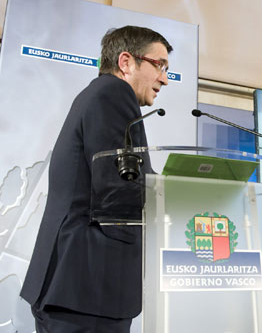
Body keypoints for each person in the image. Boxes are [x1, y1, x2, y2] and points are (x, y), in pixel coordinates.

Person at [20, 26, 173, 332]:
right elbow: (117, 187)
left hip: (79, 288)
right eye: (159, 65)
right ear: (126, 62)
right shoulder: (113, 94)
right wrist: (177, 197)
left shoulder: (99, 95)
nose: (165, 79)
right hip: (87, 287)